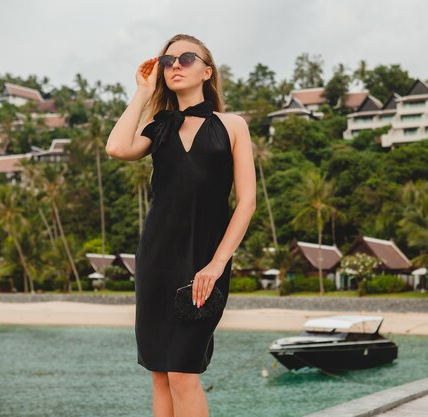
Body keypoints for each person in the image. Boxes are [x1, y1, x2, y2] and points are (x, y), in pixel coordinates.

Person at [106, 34, 256, 417]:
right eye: (167, 59)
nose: (175, 64)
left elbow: (247, 203)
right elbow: (117, 148)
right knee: (160, 373)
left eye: (186, 58)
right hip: (155, 261)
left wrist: (217, 263)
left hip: (206, 263)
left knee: (183, 373)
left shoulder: (233, 125)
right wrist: (143, 90)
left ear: (207, 71)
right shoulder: (158, 127)